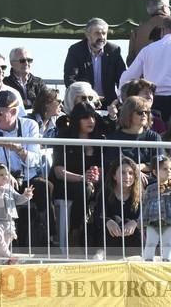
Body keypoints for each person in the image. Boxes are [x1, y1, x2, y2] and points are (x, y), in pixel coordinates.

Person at [0, 90, 50, 246]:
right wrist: (5, 175)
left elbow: (35, 159)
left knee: (44, 187)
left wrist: (19, 150)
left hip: (27, 176)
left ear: (13, 111)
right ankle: (6, 245)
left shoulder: (30, 125)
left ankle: (46, 239)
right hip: (0, 179)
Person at [50, 102, 103, 247]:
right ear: (76, 120)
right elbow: (58, 171)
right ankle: (75, 231)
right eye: (85, 118)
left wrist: (97, 175)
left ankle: (100, 239)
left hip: (94, 183)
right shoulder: (64, 137)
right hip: (67, 184)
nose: (91, 121)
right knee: (84, 188)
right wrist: (83, 178)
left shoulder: (100, 138)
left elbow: (104, 167)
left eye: (92, 117)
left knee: (107, 189)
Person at [119, 16, 171, 122]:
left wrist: (121, 98)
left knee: (154, 134)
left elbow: (128, 76)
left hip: (152, 100)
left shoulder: (148, 50)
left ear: (162, 30)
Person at [63, 18, 126, 108]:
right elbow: (70, 79)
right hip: (84, 102)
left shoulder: (114, 51)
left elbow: (122, 78)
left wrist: (121, 98)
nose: (102, 37)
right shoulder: (76, 50)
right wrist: (89, 95)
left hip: (109, 103)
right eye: (97, 33)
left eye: (104, 33)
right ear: (88, 35)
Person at [92, 158, 142, 258]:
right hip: (110, 237)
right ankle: (101, 253)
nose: (127, 176)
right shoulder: (105, 193)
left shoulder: (140, 194)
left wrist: (135, 222)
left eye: (131, 173)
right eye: (122, 173)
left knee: (130, 223)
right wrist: (107, 221)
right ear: (114, 176)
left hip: (131, 239)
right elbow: (98, 215)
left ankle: (136, 256)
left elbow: (144, 216)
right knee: (114, 219)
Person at [0, 161, 34, 259]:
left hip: (9, 222)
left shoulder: (9, 188)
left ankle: (2, 260)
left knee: (3, 245)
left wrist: (26, 195)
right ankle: (9, 256)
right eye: (1, 174)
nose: (5, 177)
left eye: (6, 174)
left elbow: (18, 200)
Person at [105, 96, 162, 171]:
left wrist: (139, 167)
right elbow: (112, 165)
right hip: (123, 179)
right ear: (128, 114)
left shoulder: (154, 136)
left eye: (147, 112)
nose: (144, 115)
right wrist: (134, 172)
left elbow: (161, 163)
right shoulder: (114, 138)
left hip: (149, 179)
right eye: (140, 112)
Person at [142, 156, 171, 262]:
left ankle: (166, 260)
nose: (168, 171)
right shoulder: (150, 188)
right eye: (164, 168)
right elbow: (145, 204)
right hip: (152, 220)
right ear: (155, 172)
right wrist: (142, 220)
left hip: (169, 219)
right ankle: (148, 260)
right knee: (150, 241)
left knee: (168, 242)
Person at [127, 0, 171, 66]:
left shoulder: (137, 31)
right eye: (169, 6)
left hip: (145, 76)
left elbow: (130, 61)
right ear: (164, 8)